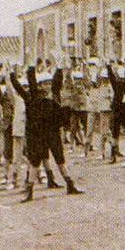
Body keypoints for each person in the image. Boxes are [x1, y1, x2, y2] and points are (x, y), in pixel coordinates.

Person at [9, 55, 83, 203]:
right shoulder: (32, 98)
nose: (48, 86)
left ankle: (70, 184)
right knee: (35, 163)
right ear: (40, 85)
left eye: (49, 83)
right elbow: (24, 85)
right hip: (37, 135)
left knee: (60, 160)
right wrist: (26, 69)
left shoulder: (52, 98)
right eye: (45, 84)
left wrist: (60, 68)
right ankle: (29, 191)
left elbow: (56, 83)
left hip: (52, 133)